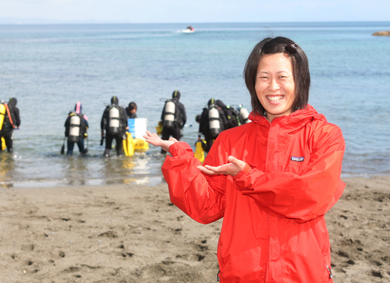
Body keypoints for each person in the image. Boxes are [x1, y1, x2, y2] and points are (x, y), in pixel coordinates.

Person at [144, 36, 345, 282]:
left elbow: (311, 197)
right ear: (252, 82)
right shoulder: (231, 141)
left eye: (283, 77)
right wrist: (181, 157)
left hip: (302, 273)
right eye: (264, 77)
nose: (273, 87)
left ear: (300, 80)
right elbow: (206, 207)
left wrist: (247, 176)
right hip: (242, 273)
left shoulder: (324, 135)